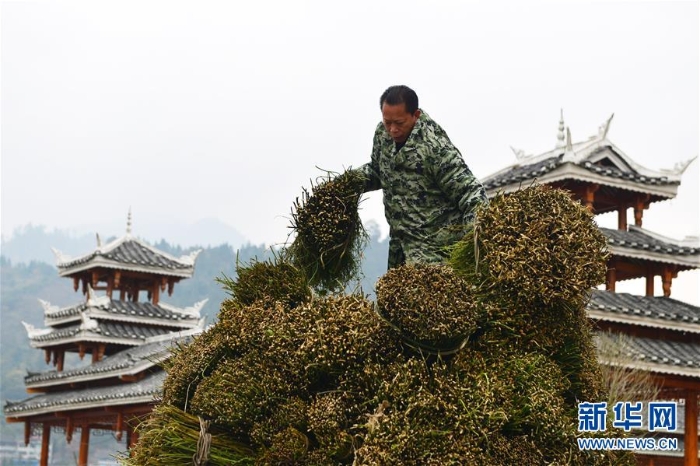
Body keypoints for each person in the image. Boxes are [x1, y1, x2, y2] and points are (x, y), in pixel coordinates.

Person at [357, 85, 487, 269]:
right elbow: (379, 171)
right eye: (388, 122)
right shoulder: (382, 134)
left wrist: (472, 245)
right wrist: (348, 183)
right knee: (394, 296)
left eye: (399, 123)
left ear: (415, 115)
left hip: (436, 250)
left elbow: (471, 194)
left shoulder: (435, 148)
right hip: (400, 244)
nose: (393, 129)